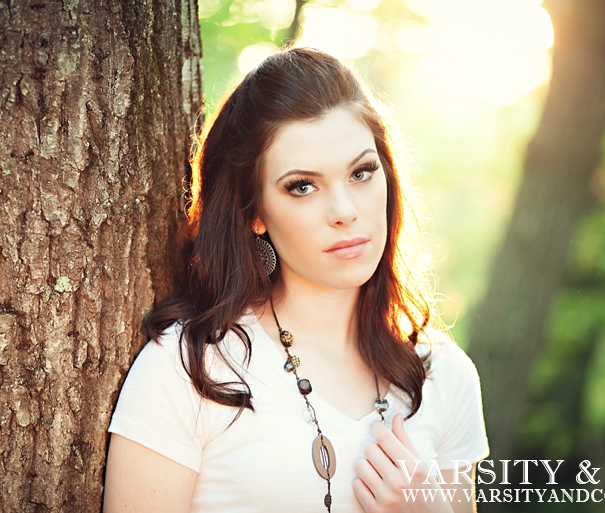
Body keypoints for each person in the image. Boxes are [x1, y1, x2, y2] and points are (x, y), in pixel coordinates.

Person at [103, 47, 489, 513]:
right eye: (302, 186)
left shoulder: (445, 376)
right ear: (256, 212)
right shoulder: (193, 367)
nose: (345, 211)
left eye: (362, 173)